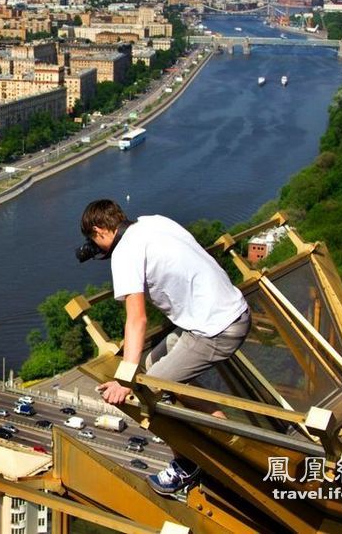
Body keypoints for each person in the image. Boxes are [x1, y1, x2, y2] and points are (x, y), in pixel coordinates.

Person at [78, 199, 251, 495]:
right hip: (232, 311)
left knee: (149, 389)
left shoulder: (125, 253)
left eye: (93, 239)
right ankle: (215, 421)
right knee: (155, 361)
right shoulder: (153, 222)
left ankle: (187, 464)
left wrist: (125, 381)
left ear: (98, 230)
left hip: (215, 329)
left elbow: (137, 320)